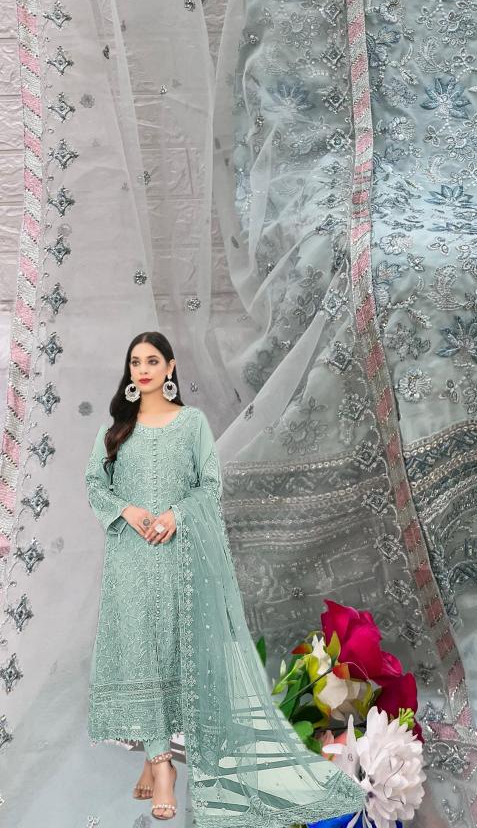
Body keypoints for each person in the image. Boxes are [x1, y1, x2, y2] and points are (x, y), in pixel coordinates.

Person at [85, 331, 363, 824]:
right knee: (141, 654)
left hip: (178, 558)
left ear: (170, 368)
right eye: (136, 362)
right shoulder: (116, 429)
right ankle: (160, 764)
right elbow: (94, 484)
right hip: (131, 561)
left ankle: (158, 762)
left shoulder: (191, 423)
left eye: (152, 361)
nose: (143, 370)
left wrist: (176, 515)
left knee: (172, 653)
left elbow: (210, 485)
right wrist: (128, 510)